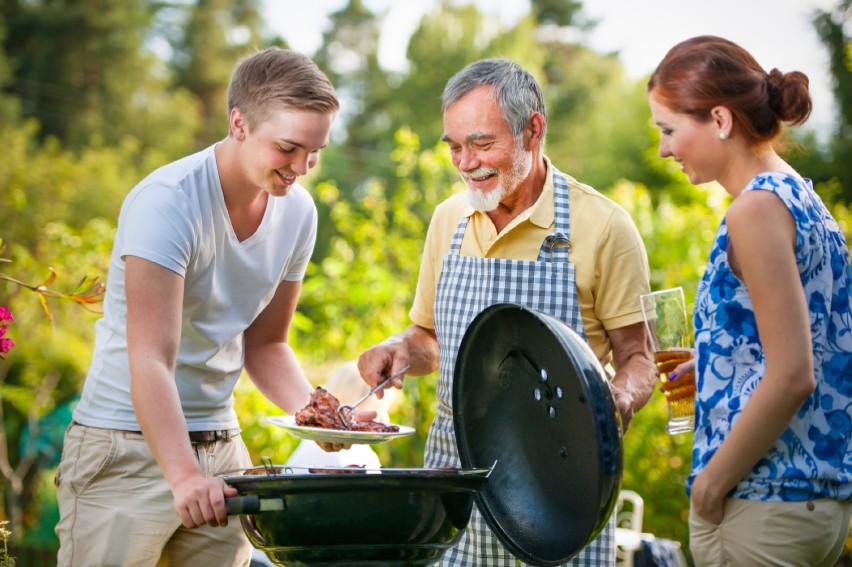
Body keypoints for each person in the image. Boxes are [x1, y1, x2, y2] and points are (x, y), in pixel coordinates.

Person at [358, 58, 658, 566]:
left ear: (533, 129)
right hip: (456, 485)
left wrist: (618, 400)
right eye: (454, 146)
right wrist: (400, 350)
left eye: (481, 142)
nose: (465, 162)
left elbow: (640, 357)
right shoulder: (448, 219)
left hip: (560, 491)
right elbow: (431, 339)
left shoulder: (603, 225)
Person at [54, 47, 339, 567]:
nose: (301, 168)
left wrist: (325, 419)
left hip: (221, 451)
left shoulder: (298, 213)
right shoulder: (167, 202)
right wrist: (183, 475)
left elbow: (268, 345)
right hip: (125, 449)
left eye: (314, 152)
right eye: (288, 148)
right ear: (239, 123)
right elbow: (151, 359)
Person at [647, 35, 852, 566]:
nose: (664, 149)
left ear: (719, 119)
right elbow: (807, 342)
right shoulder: (799, 195)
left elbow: (793, 375)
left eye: (669, 130)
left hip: (762, 503)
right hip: (815, 501)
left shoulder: (753, 210)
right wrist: (715, 362)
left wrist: (710, 485)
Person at [285, 360, 396, 469]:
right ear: (352, 403)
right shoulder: (357, 455)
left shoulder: (311, 442)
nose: (386, 418)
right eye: (377, 409)